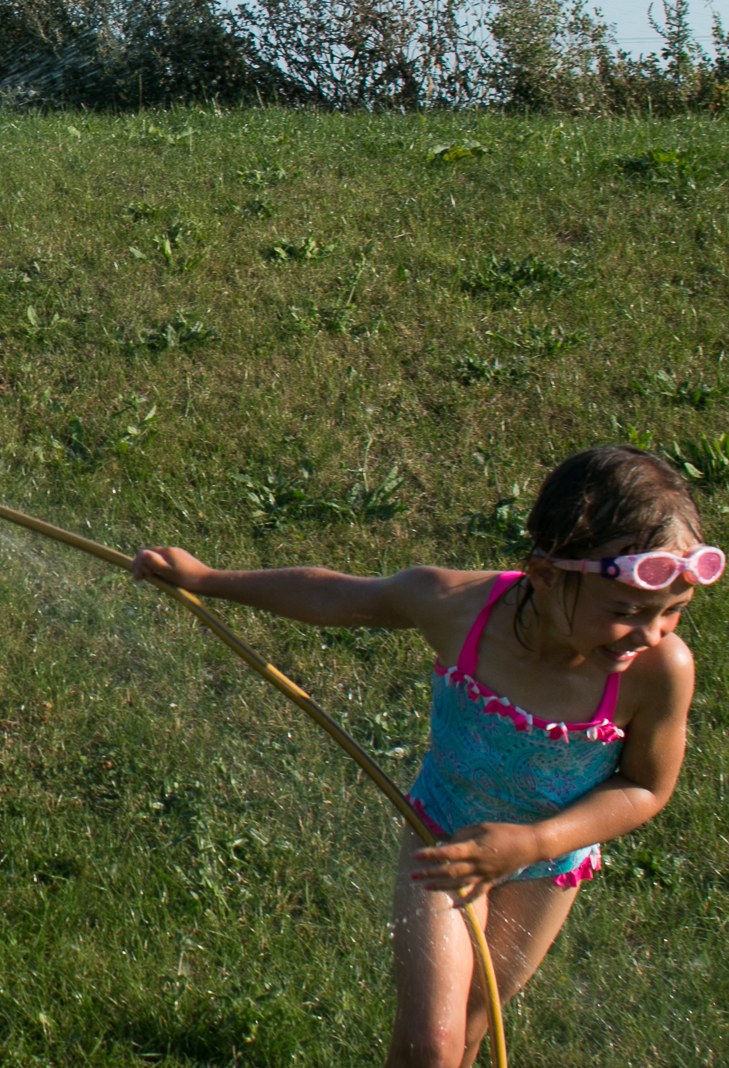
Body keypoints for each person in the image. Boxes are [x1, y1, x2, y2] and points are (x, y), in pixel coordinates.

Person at [131, 445, 709, 1068]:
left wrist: (534, 843)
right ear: (543, 575)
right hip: (440, 831)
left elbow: (646, 788)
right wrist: (207, 580)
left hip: (547, 861)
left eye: (672, 612)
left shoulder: (660, 671)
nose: (650, 634)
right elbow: (336, 598)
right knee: (428, 1044)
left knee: (471, 1021)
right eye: (626, 612)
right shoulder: (458, 608)